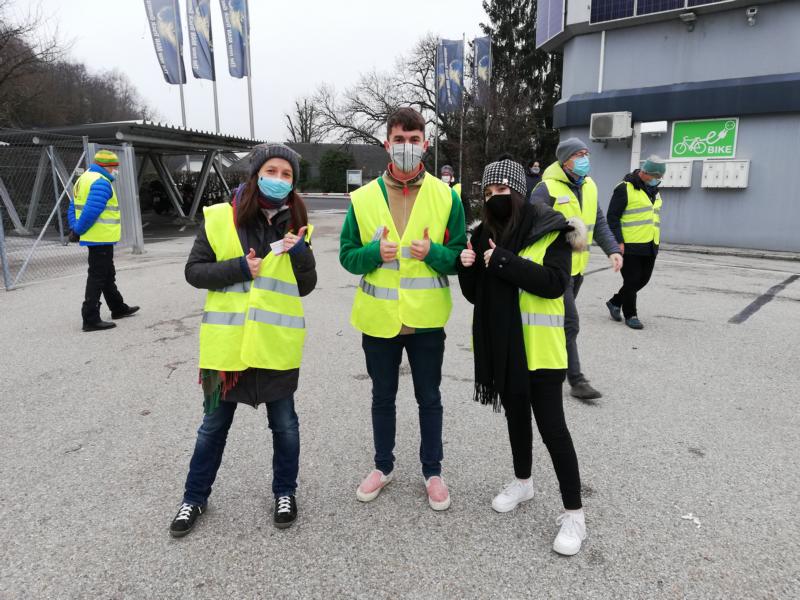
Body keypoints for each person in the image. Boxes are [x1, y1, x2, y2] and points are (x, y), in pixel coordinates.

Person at [170, 144, 316, 537]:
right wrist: (239, 268)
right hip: (227, 349)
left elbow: (306, 285)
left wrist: (300, 252)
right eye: (272, 171)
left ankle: (285, 492)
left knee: (285, 426)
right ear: (256, 174)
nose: (279, 180)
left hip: (274, 346)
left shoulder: (297, 223)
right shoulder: (220, 218)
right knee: (213, 427)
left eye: (287, 175)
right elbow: (194, 271)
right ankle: (193, 498)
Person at [457, 158, 589, 556]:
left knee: (553, 430)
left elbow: (554, 284)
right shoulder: (483, 234)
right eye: (488, 192)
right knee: (516, 420)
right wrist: (468, 268)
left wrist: (503, 260)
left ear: (519, 192)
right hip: (505, 350)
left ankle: (575, 514)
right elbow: (476, 295)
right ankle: (523, 482)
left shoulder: (551, 228)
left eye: (502, 190)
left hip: (543, 351)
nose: (495, 198)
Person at [339, 107, 466, 511]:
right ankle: (383, 466)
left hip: (426, 319)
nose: (406, 146)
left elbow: (460, 257)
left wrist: (435, 253)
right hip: (379, 320)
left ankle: (433, 471)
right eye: (399, 139)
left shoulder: (447, 197)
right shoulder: (362, 199)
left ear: (425, 144)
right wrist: (373, 253)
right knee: (382, 397)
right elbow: (347, 256)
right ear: (386, 143)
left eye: (413, 140)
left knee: (429, 398)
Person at [530, 138, 623, 401]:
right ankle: (576, 380)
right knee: (569, 323)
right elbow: (533, 220)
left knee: (559, 325)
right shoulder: (546, 188)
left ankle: (548, 366)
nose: (585, 159)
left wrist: (612, 249)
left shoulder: (589, 185)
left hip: (577, 270)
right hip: (554, 270)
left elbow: (599, 221)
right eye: (578, 154)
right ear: (564, 160)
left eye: (586, 153)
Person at [67, 149, 139, 332]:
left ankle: (118, 307)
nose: (116, 171)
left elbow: (72, 206)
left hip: (96, 237)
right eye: (114, 167)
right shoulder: (101, 182)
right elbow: (91, 211)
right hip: (100, 238)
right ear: (106, 166)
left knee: (107, 274)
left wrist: (75, 228)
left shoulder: (83, 179)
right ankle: (90, 318)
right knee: (98, 277)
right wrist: (78, 230)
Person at [605, 156, 666, 329]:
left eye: (660, 177)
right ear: (644, 172)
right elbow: (612, 217)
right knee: (631, 281)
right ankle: (631, 315)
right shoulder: (624, 188)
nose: (658, 180)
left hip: (650, 243)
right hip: (629, 244)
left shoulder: (655, 191)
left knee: (643, 280)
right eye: (656, 176)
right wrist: (618, 241)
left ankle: (615, 302)